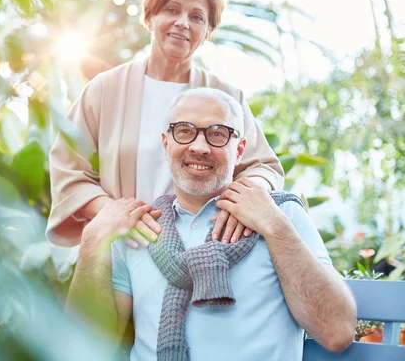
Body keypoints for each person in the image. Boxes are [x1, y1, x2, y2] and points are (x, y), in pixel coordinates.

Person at [66, 89, 356, 360]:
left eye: (218, 134)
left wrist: (275, 227)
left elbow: (336, 331)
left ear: (240, 150)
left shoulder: (281, 214)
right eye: (184, 131)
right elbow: (86, 347)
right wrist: (92, 240)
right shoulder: (137, 227)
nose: (200, 146)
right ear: (166, 144)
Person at [48, 0, 284, 249]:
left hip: (203, 251)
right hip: (122, 249)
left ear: (208, 31)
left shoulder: (226, 96)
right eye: (171, 10)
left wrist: (240, 201)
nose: (183, 23)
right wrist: (111, 212)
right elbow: (69, 169)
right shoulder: (103, 90)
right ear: (149, 18)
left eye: (197, 17)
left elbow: (264, 167)